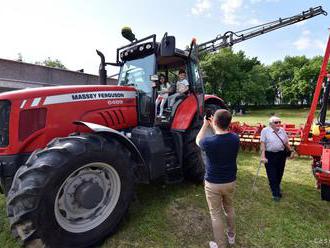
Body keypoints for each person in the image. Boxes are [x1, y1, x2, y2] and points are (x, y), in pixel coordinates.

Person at [196, 109, 240, 248]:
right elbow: (222, 137)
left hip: (213, 183)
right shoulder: (235, 138)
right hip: (230, 181)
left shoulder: (209, 142)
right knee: (229, 208)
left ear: (214, 122)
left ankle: (220, 245)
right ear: (229, 123)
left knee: (215, 215)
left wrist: (205, 125)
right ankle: (231, 237)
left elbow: (198, 141)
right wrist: (215, 125)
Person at [260, 116, 293, 201]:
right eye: (276, 122)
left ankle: (275, 186)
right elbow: (262, 144)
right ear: (271, 124)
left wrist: (291, 151)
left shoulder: (282, 130)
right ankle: (276, 193)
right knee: (272, 174)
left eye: (279, 122)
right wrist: (263, 156)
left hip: (281, 155)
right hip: (269, 155)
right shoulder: (265, 131)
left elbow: (286, 142)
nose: (278, 124)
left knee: (279, 173)